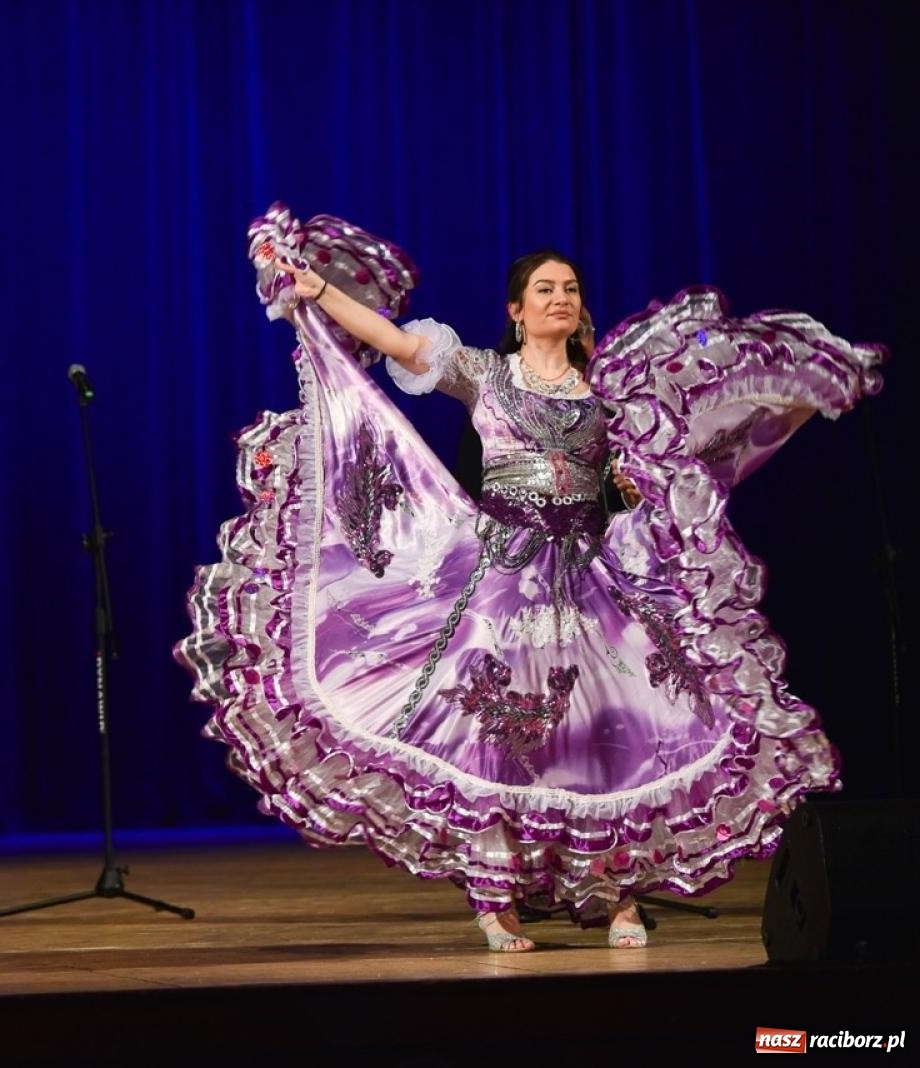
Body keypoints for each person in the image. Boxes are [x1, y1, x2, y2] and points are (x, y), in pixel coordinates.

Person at [175, 203, 884, 951]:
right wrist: (316, 290)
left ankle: (608, 888)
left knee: (606, 730)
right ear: (517, 310)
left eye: (570, 288)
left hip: (584, 577)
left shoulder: (604, 401)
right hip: (499, 579)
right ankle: (494, 896)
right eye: (545, 289)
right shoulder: (484, 373)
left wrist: (634, 490)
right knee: (493, 730)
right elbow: (393, 342)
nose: (560, 298)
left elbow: (622, 488)